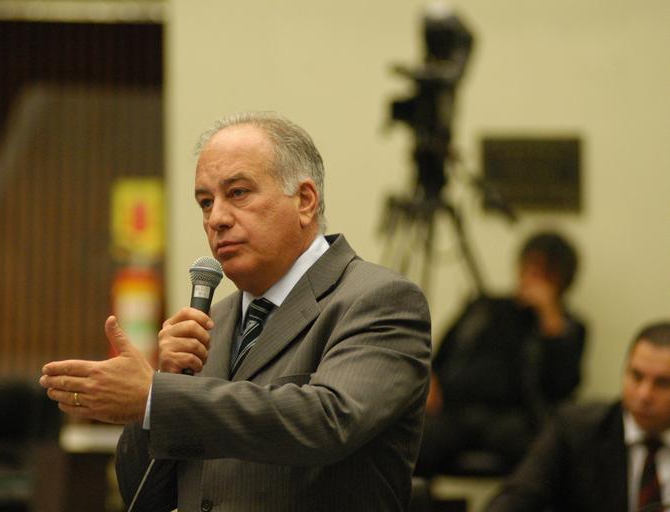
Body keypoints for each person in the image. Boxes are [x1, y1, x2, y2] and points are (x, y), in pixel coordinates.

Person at [39, 111, 432, 511]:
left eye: (238, 193)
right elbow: (143, 497)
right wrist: (163, 386)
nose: (217, 219)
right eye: (205, 202)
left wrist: (157, 397)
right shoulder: (212, 324)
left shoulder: (377, 299)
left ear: (305, 201)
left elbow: (328, 420)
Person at [415, 231, 586, 477]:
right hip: (455, 413)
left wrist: (550, 317)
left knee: (544, 453)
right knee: (412, 440)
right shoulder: (484, 307)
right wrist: (430, 381)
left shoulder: (567, 328)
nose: (531, 277)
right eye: (529, 267)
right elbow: (438, 358)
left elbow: (564, 387)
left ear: (562, 280)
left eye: (544, 272)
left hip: (513, 421)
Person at [485, 321, 670, 512]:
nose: (644, 395)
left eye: (663, 383)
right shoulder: (574, 431)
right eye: (636, 376)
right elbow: (515, 499)